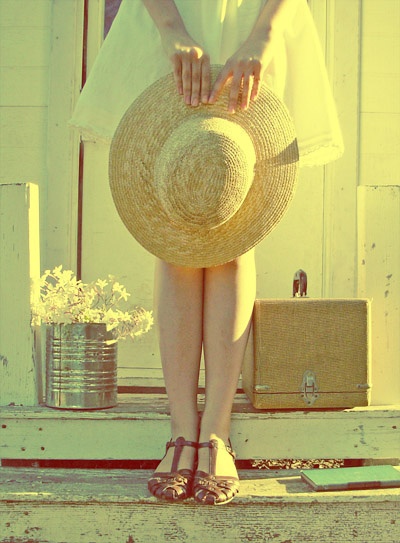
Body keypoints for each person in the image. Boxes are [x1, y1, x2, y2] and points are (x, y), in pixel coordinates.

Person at [70, 0, 344, 505]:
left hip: (252, 18)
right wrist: (170, 27)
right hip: (176, 16)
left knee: (231, 227)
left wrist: (264, 34)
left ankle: (215, 432)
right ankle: (181, 430)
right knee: (178, 226)